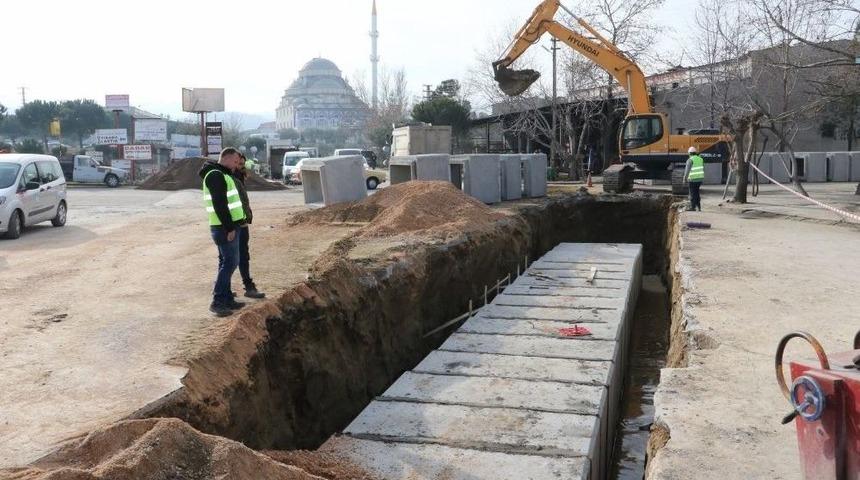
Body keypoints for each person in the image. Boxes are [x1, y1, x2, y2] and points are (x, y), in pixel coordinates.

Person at [199, 147, 247, 317]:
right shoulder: (215, 175)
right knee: (230, 263)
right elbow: (220, 204)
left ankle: (227, 298)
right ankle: (218, 301)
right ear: (225, 158)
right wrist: (230, 227)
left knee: (226, 262)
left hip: (226, 226)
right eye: (235, 161)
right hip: (223, 227)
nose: (236, 165)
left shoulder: (223, 174)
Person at [233, 154, 265, 299]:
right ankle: (246, 286)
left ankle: (224, 288)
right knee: (235, 257)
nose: (241, 167)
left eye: (242, 164)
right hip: (235, 223)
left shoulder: (238, 178)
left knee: (239, 256)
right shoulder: (230, 179)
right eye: (238, 164)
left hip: (241, 222)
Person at [684, 146, 705, 211]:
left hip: (692, 179)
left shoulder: (690, 160)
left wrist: (684, 179)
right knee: (697, 192)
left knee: (692, 193)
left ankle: (693, 207)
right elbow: (702, 168)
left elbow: (687, 171)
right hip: (700, 179)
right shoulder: (701, 159)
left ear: (689, 153)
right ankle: (699, 207)